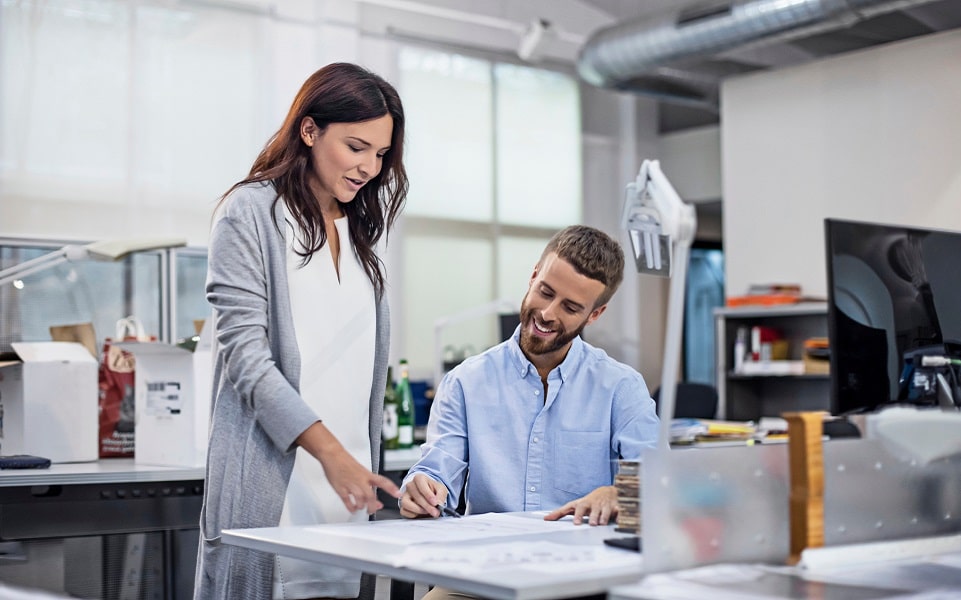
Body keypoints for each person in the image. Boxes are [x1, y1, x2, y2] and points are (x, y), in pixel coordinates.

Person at [194, 62, 407, 600]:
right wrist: (331, 454)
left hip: (346, 495)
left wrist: (349, 463)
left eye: (380, 155)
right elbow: (247, 359)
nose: (369, 168)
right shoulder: (250, 213)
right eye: (356, 146)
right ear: (310, 131)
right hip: (277, 489)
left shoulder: (360, 234)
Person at [400, 225, 659, 533]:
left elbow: (661, 479)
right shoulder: (465, 383)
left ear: (595, 314)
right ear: (534, 276)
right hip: (482, 564)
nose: (548, 313)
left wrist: (621, 493)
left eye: (570, 307)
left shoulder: (621, 388)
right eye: (545, 292)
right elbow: (436, 474)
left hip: (583, 568)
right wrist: (422, 489)